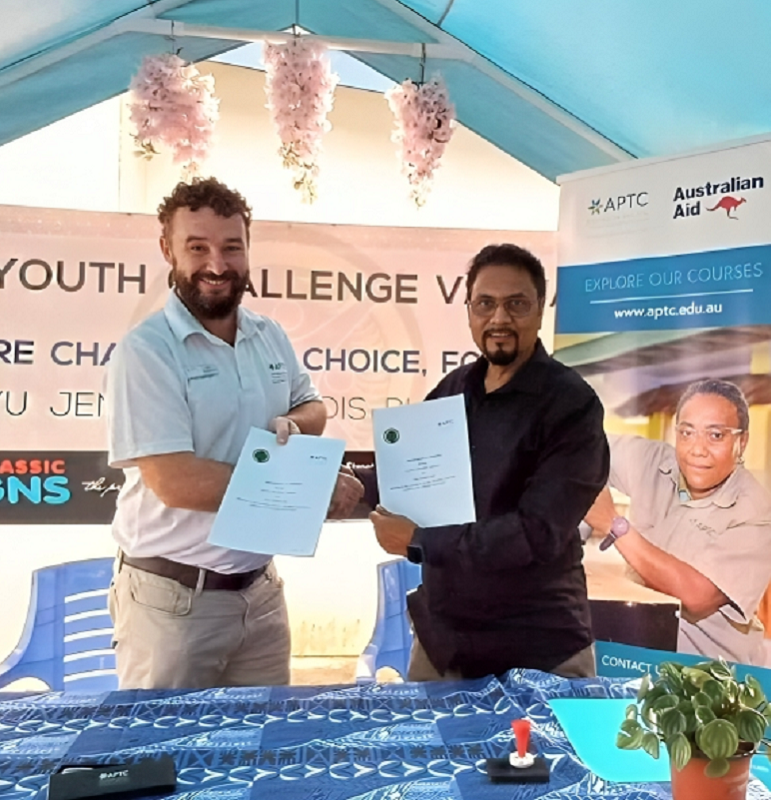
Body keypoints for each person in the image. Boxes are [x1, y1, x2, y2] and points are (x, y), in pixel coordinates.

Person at [104, 177, 363, 690]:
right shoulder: (147, 351)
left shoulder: (269, 335)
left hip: (261, 596)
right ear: (167, 250)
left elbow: (313, 406)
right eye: (197, 247)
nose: (217, 266)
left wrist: (294, 425)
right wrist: (308, 488)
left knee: (264, 759)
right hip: (173, 604)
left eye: (231, 247)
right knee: (167, 761)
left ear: (248, 250)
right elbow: (176, 482)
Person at [352, 243, 610, 680]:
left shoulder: (572, 407)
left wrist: (420, 541)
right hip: (443, 646)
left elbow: (536, 533)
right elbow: (408, 477)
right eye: (485, 304)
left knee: (533, 754)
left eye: (516, 304)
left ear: (540, 310)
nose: (499, 319)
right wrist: (349, 487)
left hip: (538, 654)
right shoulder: (455, 390)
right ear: (469, 309)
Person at [583, 378, 771, 666]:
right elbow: (581, 445)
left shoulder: (761, 516)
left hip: (710, 676)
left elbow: (697, 595)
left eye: (715, 436)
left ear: (741, 442)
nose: (697, 449)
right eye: (687, 433)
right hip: (636, 651)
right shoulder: (655, 462)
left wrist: (614, 524)